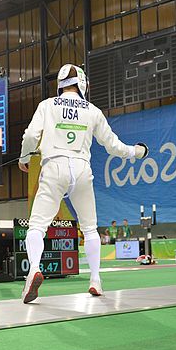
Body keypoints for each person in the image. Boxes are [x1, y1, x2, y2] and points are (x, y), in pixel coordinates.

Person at [18, 63, 148, 303]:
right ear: (82, 83)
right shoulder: (93, 110)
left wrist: (24, 157)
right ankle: (95, 280)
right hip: (81, 171)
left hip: (54, 168)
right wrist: (136, 152)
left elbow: (30, 136)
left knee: (36, 226)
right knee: (89, 229)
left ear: (60, 85)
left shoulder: (47, 105)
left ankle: (34, 269)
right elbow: (113, 145)